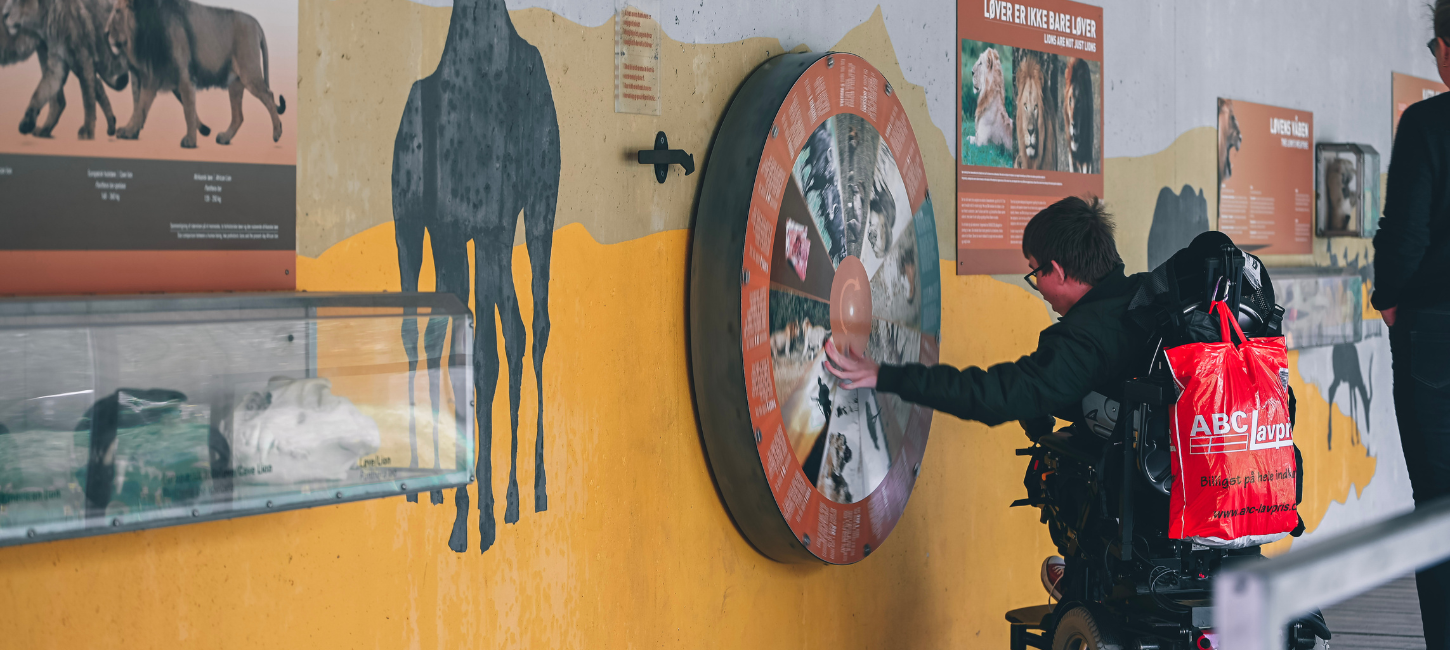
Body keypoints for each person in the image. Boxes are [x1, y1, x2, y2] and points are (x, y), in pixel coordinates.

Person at [825, 195, 1148, 432]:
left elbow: (992, 394)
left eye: (1034, 273)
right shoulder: (1142, 297)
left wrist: (884, 375)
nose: (1037, 284)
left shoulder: (1084, 341)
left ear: (1059, 272)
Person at [1372, 2, 1450, 646]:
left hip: (1436, 340)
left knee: (1440, 511)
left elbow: (1406, 235)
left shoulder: (1428, 125)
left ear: (1446, 50)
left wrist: (1391, 300)